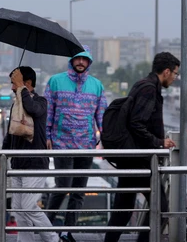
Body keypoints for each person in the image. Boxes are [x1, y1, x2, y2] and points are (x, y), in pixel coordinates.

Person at [104, 52, 179, 242]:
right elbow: (137, 123)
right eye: (175, 74)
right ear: (167, 71)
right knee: (159, 206)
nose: (175, 78)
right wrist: (159, 142)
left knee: (123, 211)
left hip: (133, 158)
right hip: (138, 160)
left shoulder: (143, 84)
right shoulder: (149, 89)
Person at [44, 45, 107, 242]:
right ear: (71, 60)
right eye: (77, 58)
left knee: (79, 192)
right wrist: (47, 136)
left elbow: (101, 115)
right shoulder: (55, 81)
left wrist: (104, 137)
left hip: (86, 145)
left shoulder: (97, 85)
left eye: (84, 59)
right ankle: (45, 226)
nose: (80, 62)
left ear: (89, 62)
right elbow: (48, 111)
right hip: (62, 144)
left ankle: (68, 231)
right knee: (62, 187)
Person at [1, 66, 59, 242]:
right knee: (18, 208)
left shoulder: (41, 101)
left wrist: (21, 88)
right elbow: (10, 134)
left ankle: (53, 238)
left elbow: (33, 109)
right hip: (18, 165)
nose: (12, 87)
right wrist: (2, 156)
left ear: (27, 83)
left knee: (28, 206)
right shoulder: (16, 105)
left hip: (35, 164)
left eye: (14, 83)